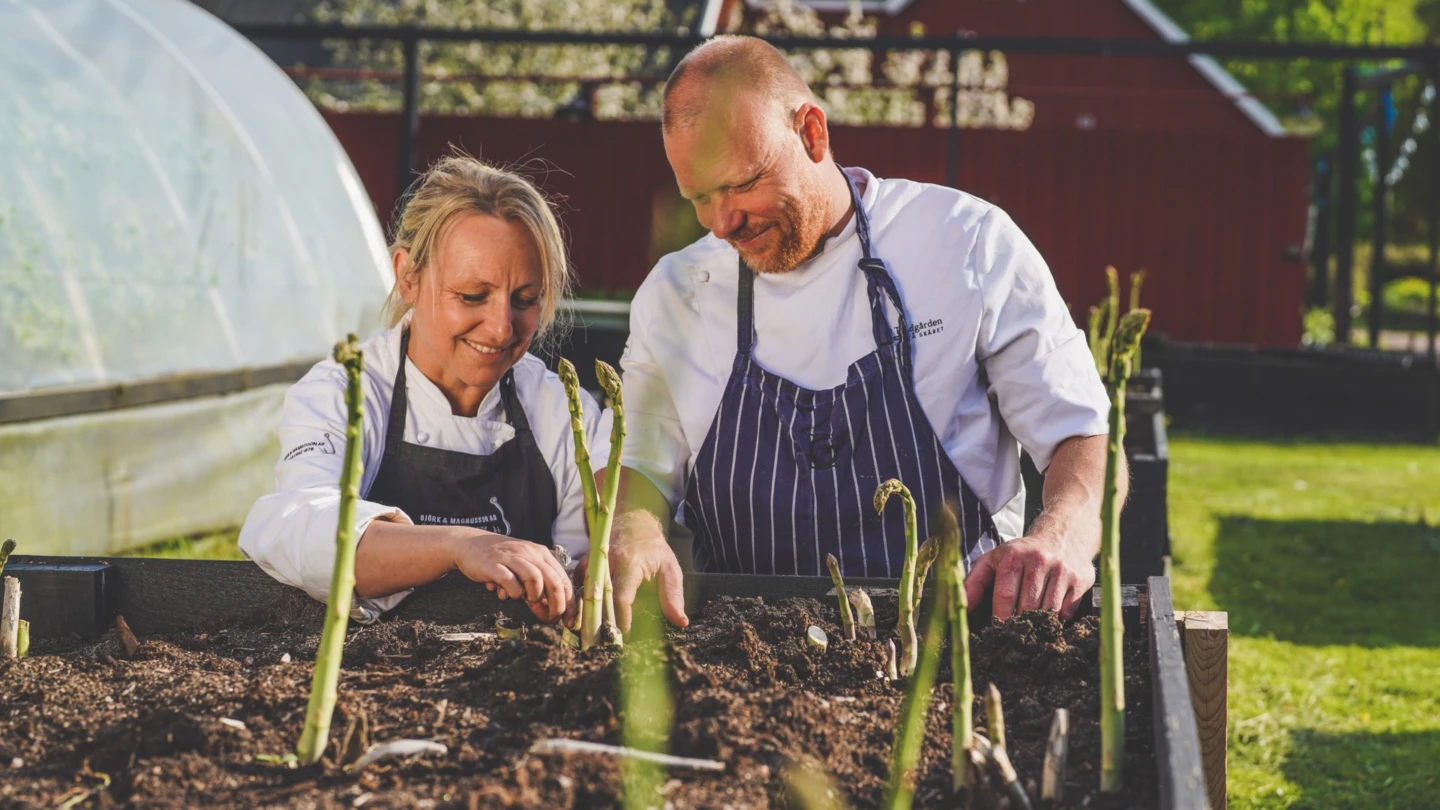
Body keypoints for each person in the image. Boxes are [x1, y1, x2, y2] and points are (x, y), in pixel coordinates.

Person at [608, 36, 1125, 630]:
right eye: (699, 197)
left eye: (742, 183)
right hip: (737, 660)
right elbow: (636, 465)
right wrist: (633, 530)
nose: (723, 221)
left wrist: (1060, 537)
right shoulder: (677, 294)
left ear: (812, 133)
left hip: (958, 648)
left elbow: (1081, 435)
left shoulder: (966, 242)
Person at [240, 156, 609, 624]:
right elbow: (302, 528)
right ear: (408, 277)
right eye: (472, 296)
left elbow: (577, 570)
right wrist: (460, 546)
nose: (500, 329)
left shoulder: (556, 407)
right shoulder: (345, 392)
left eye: (525, 300)